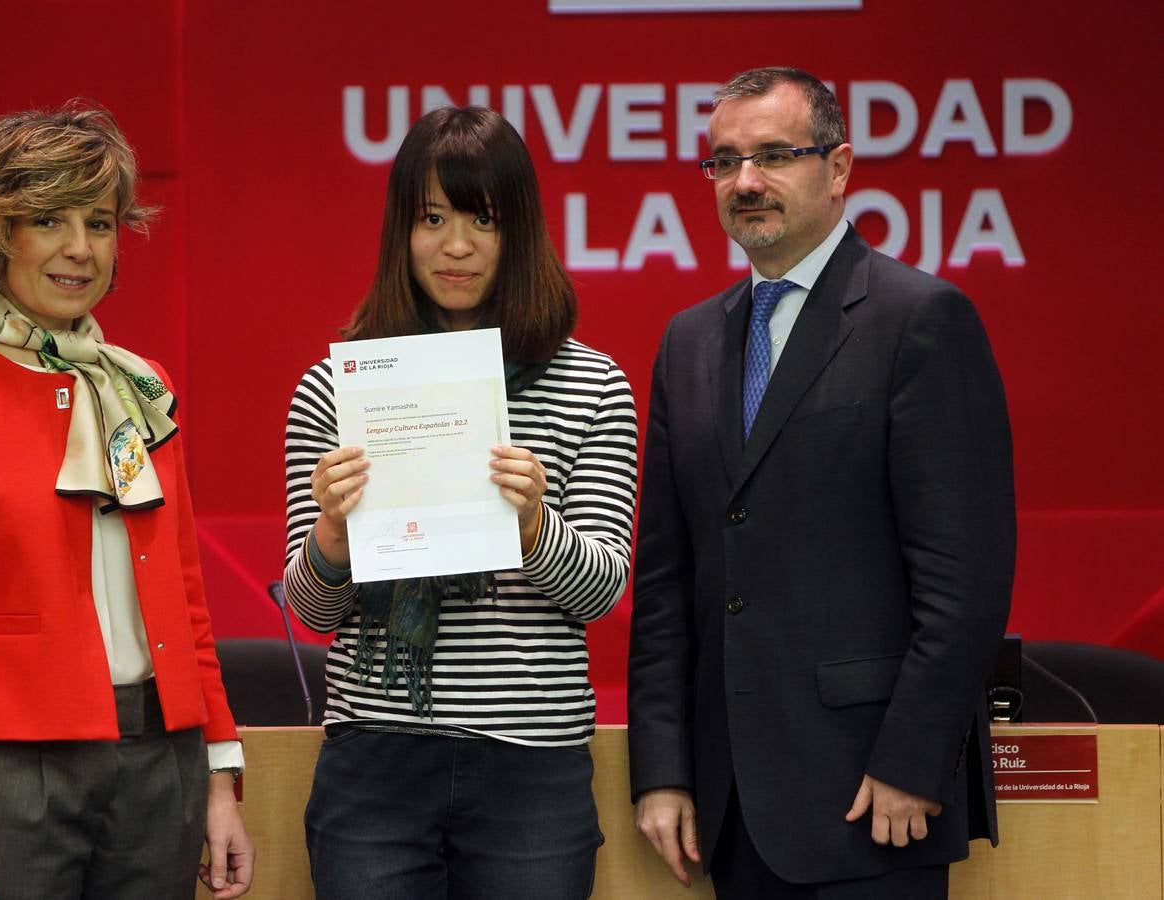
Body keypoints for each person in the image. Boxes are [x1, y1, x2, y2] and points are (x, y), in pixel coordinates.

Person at [627, 67, 1015, 898]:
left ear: (838, 168)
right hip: (727, 810)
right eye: (723, 162)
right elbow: (665, 582)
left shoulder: (920, 320)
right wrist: (661, 769)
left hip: (874, 801)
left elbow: (966, 581)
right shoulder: (688, 342)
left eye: (774, 155)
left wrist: (915, 760)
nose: (745, 182)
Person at [0, 101, 254, 900]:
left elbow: (187, 596)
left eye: (101, 222)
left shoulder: (142, 387)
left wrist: (219, 777)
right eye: (47, 219)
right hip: (18, 773)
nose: (80, 249)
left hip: (164, 761)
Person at [283, 105, 638, 899]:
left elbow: (603, 589)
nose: (456, 246)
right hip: (375, 757)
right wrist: (333, 535)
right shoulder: (337, 391)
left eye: (483, 219)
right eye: (431, 218)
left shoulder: (593, 385)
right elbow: (311, 610)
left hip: (532, 762)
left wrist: (535, 524)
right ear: (398, 233)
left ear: (520, 232)